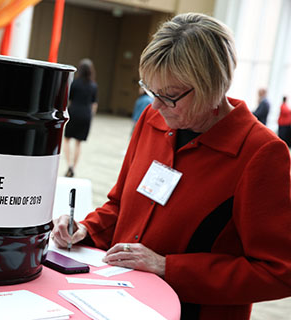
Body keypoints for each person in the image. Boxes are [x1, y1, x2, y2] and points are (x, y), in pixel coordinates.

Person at [52, 13, 291, 319]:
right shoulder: (152, 121)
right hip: (119, 301)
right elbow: (120, 207)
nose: (155, 105)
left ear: (212, 85)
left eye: (170, 96)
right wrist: (85, 229)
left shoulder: (259, 153)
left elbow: (279, 271)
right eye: (151, 91)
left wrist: (168, 267)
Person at [62, 58, 98, 178]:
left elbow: (69, 99)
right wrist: (90, 116)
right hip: (86, 115)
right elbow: (94, 104)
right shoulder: (93, 86)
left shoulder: (75, 83)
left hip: (74, 112)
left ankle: (69, 165)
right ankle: (75, 167)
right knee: (78, 143)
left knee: (67, 139)